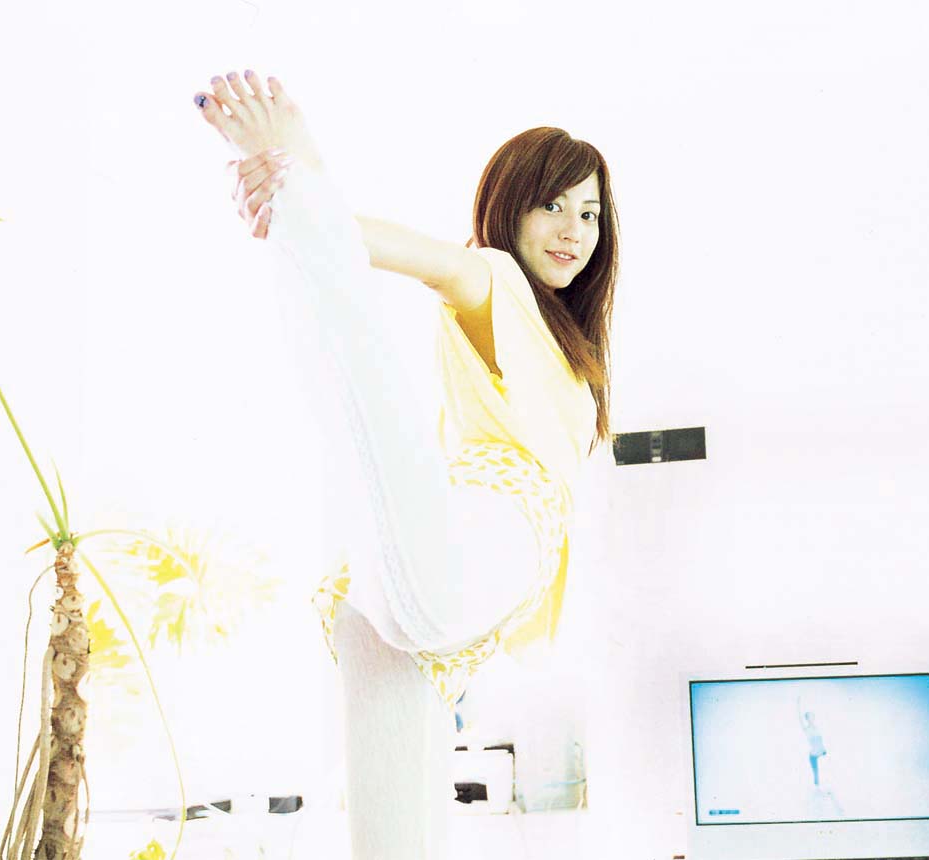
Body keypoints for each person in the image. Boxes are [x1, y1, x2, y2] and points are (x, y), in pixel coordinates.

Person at [192, 69, 619, 858]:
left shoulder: (565, 339)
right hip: (482, 529)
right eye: (552, 204)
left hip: (400, 594)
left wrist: (302, 208)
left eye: (588, 212)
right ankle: (298, 184)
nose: (573, 229)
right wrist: (300, 198)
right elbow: (426, 258)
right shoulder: (495, 277)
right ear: (509, 208)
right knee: (363, 385)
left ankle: (300, 195)